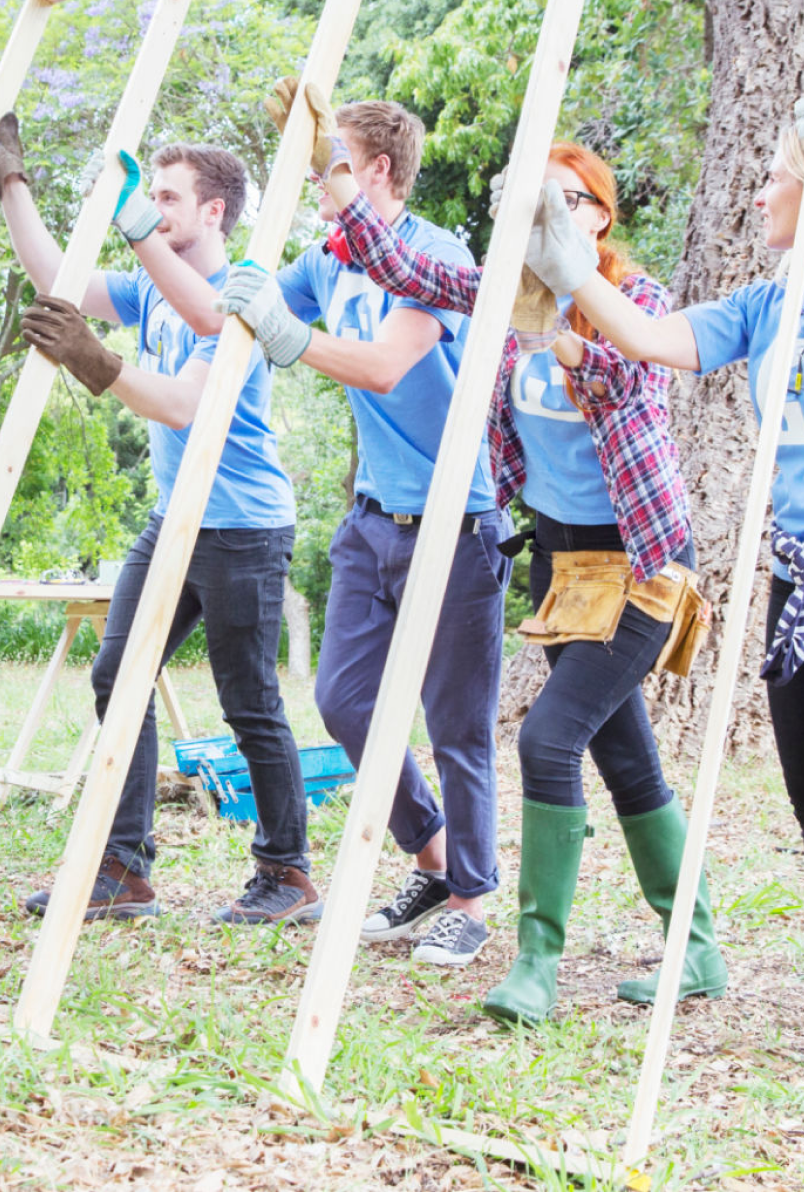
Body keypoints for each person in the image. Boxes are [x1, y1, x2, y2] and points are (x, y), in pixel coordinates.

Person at [540, 63, 804, 1088]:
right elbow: (652, 339)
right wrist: (573, 268)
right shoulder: (764, 306)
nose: (755, 192)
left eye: (774, 177)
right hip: (803, 591)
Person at [326, 134, 726, 1022]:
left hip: (642, 566)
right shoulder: (509, 301)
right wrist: (336, 171)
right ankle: (694, 948)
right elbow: (406, 267)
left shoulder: (636, 303)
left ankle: (536, 961)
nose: (553, 216)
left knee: (548, 740)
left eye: (569, 201)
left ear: (600, 216)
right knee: (626, 756)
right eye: (537, 203)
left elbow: (630, 376)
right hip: (561, 565)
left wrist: (564, 328)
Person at [0, 113, 316, 924]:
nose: (151, 205)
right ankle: (125, 868)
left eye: (166, 195)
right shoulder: (149, 292)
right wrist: (12, 185)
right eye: (149, 194)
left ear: (213, 211)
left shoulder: (240, 292)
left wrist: (97, 362)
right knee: (117, 676)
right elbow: (57, 275)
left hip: (242, 527)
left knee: (248, 699)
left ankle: (287, 875)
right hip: (173, 519)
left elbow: (182, 405)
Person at [217, 82, 512, 970]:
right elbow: (243, 314)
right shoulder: (330, 258)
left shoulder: (434, 255)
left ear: (374, 168)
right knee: (343, 700)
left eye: (329, 160)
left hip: (458, 523)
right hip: (373, 520)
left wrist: (290, 339)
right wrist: (169, 254)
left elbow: (384, 366)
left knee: (456, 722)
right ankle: (430, 856)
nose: (316, 178)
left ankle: (469, 895)